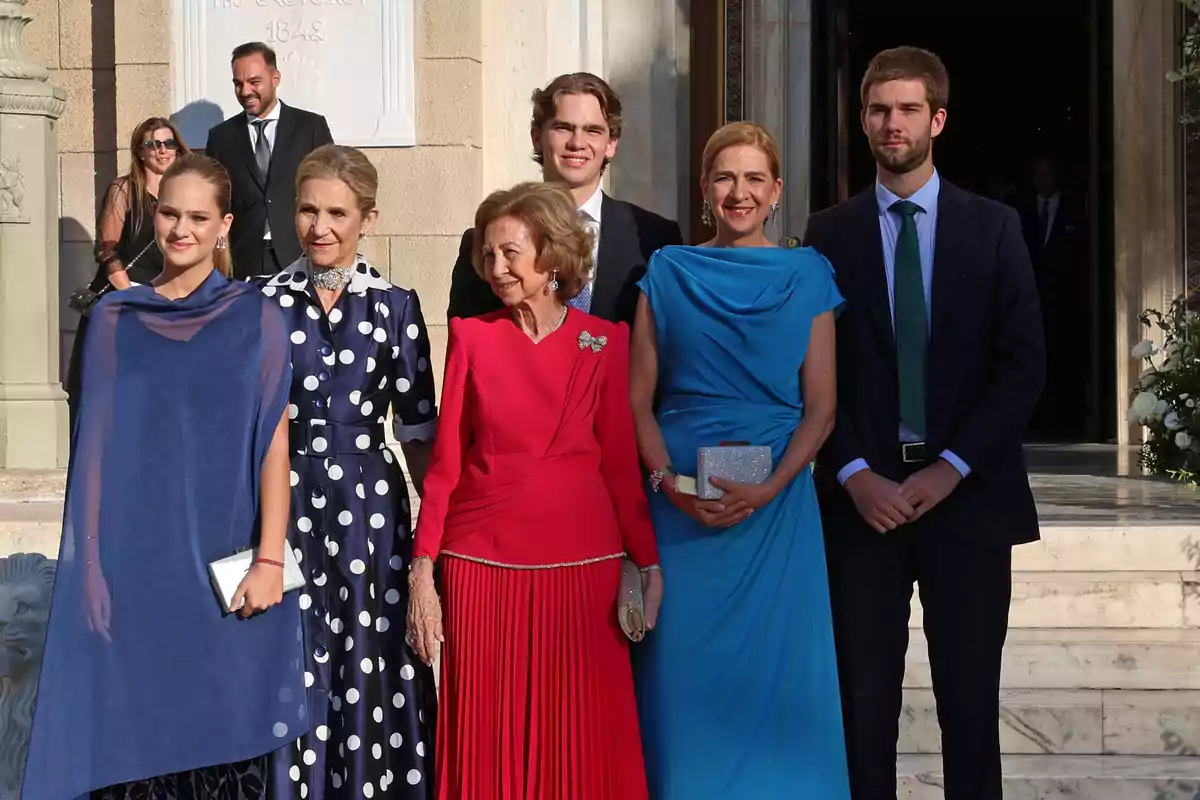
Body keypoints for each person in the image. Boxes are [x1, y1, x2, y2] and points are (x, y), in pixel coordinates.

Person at [802, 47, 1045, 800]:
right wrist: (850, 472)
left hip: (969, 506)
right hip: (861, 510)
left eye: (908, 109)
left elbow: (1023, 365)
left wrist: (951, 467)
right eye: (878, 109)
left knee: (969, 716)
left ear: (937, 119)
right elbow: (810, 373)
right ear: (863, 120)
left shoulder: (994, 228)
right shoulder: (827, 233)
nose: (892, 123)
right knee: (862, 715)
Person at [23, 154, 305, 799]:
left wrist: (268, 560)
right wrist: (88, 568)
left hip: (224, 559)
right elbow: (92, 452)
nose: (182, 229)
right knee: (135, 742)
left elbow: (272, 447)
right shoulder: (115, 321)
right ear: (154, 215)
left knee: (224, 732)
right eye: (171, 213)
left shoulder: (257, 318)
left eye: (198, 217)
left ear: (224, 225)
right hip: (135, 564)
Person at [408, 181, 663, 800]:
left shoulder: (605, 343)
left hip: (583, 571)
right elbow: (445, 465)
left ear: (551, 256)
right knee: (487, 745)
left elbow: (621, 469)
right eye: (488, 256)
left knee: (585, 743)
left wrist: (649, 561)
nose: (496, 268)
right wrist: (423, 571)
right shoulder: (472, 336)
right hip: (480, 567)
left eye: (511, 253)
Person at [630, 122, 850, 799]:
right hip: (681, 512)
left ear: (777, 191)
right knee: (683, 678)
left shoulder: (808, 273)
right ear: (704, 189)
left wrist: (772, 488)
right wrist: (668, 484)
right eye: (725, 177)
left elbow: (822, 407)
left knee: (782, 682)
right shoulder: (667, 270)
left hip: (777, 515)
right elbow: (638, 400)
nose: (739, 191)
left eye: (755, 178)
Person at [251, 144, 437, 798]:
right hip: (283, 504)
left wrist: (432, 550)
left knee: (369, 658)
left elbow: (419, 434)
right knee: (290, 658)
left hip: (373, 514)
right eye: (307, 209)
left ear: (369, 217)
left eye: (337, 212)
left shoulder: (396, 307)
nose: (319, 227)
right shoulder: (262, 303)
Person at [446, 72, 682, 325]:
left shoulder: (655, 238)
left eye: (592, 130)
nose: (577, 143)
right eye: (563, 128)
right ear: (537, 137)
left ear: (611, 144)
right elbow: (467, 342)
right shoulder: (487, 242)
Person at [65, 117, 189, 430]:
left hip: (166, 302)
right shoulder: (124, 189)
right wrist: (133, 296)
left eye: (168, 143)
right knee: (112, 394)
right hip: (124, 299)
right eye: (153, 144)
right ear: (140, 151)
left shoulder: (185, 194)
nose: (162, 151)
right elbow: (107, 250)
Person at [206, 41, 334, 279]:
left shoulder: (311, 127)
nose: (245, 92)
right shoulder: (221, 137)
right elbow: (216, 202)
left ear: (275, 78)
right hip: (243, 262)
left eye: (254, 82)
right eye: (238, 84)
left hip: (302, 256)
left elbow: (332, 191)